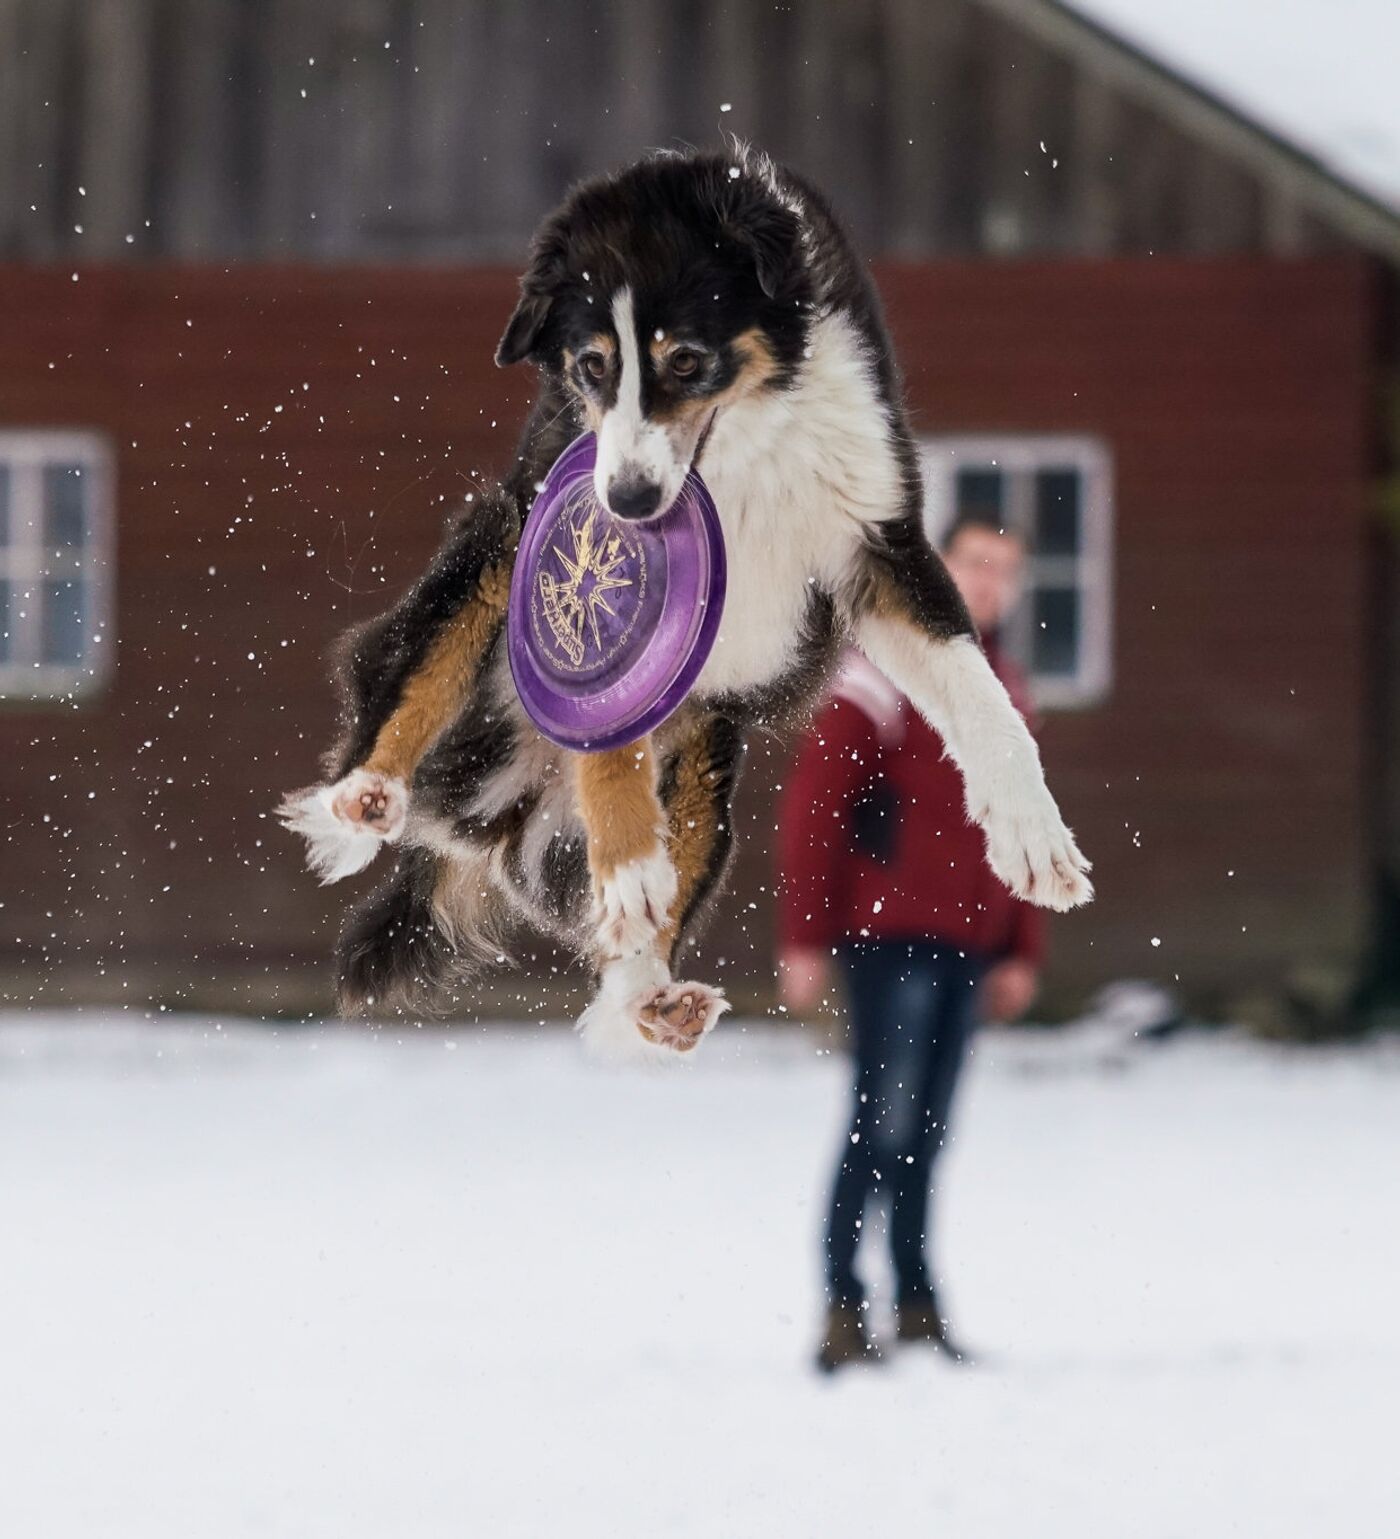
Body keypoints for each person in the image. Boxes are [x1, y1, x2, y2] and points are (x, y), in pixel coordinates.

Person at [777, 509, 1043, 1373]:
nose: (987, 583)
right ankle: (842, 1303)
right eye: (974, 563)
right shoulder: (881, 672)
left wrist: (1020, 948)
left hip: (971, 943)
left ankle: (919, 1299)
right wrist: (804, 937)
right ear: (939, 567)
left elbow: (1026, 821)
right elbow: (814, 816)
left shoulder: (1004, 689)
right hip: (888, 938)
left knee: (929, 1132)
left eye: (1004, 569)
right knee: (878, 1125)